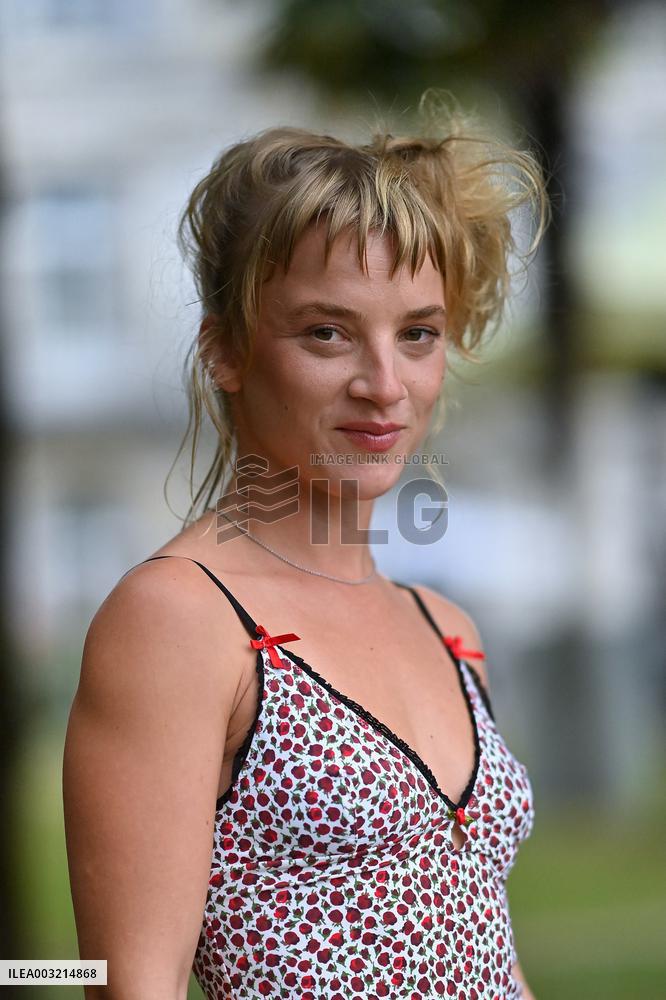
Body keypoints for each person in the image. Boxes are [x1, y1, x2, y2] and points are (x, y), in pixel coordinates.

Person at [63, 91, 548, 999]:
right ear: (227, 351)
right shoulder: (179, 620)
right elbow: (129, 981)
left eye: (417, 335)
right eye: (327, 332)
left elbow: (486, 949)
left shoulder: (449, 628)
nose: (384, 384)